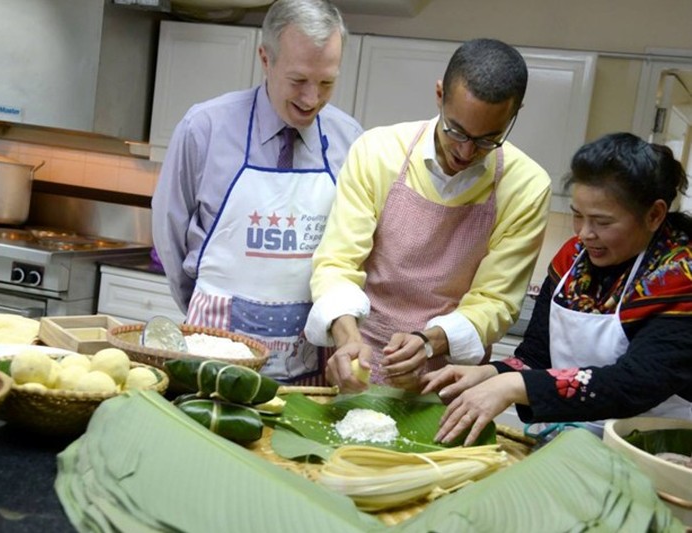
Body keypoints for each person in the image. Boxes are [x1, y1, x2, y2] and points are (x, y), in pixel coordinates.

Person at [304, 38, 552, 393]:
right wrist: (346, 339)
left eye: (488, 139)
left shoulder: (526, 186)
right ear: (439, 94)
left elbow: (495, 302)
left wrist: (428, 342)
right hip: (357, 361)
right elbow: (338, 263)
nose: (466, 152)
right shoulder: (378, 152)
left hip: (449, 382)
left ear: (515, 114)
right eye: (457, 131)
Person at [421, 132, 692, 446]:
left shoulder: (679, 276)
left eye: (602, 222)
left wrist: (514, 386)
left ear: (654, 215)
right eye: (578, 216)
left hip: (653, 449)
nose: (585, 234)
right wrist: (491, 374)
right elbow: (537, 355)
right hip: (573, 443)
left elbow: (635, 382)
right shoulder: (573, 261)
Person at [151, 0, 364, 385]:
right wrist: (207, 304)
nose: (311, 99)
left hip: (310, 363)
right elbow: (171, 237)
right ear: (265, 59)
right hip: (212, 352)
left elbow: (354, 253)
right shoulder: (205, 128)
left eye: (327, 82)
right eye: (298, 81)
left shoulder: (351, 140)